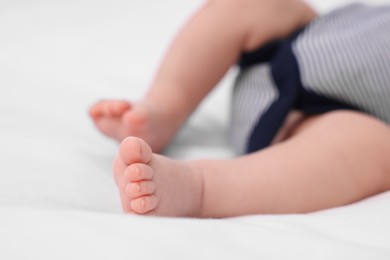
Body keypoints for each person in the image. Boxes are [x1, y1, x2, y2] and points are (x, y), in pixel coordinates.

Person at [89, 0, 390, 218]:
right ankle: (162, 107)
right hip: (300, 34)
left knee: (377, 150)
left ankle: (201, 187)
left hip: (315, 121)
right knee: (249, 4)